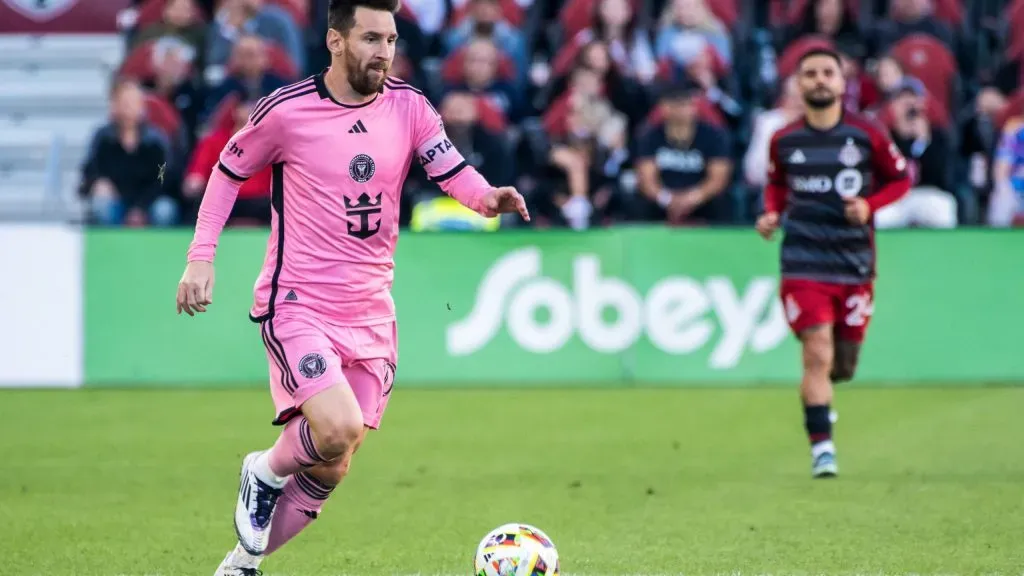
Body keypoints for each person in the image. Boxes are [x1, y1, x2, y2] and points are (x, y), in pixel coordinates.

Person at [174, 1, 530, 574]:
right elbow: (227, 171)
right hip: (298, 303)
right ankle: (262, 471)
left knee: (334, 463)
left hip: (370, 311)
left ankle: (240, 565)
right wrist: (200, 258)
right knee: (334, 426)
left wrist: (486, 197)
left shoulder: (410, 106)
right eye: (370, 38)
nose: (383, 51)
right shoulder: (287, 112)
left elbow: (449, 168)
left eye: (389, 40)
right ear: (336, 42)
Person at [755, 48, 911, 479]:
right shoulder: (783, 140)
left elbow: (901, 178)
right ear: (799, 84)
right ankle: (822, 448)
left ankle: (823, 409)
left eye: (828, 73)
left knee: (843, 365)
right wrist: (771, 214)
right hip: (803, 260)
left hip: (854, 262)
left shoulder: (868, 135)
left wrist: (870, 204)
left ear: (843, 84)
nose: (820, 80)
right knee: (816, 352)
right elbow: (776, 186)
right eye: (810, 74)